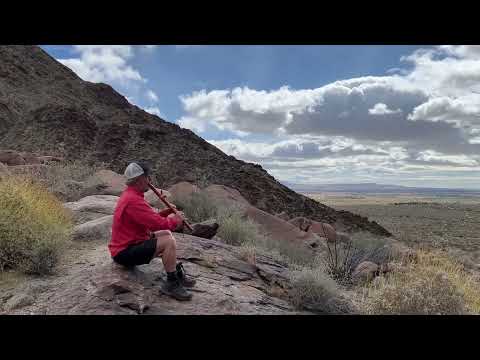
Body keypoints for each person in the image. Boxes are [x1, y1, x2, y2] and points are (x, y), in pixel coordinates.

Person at [109, 161, 196, 301]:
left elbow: (148, 220)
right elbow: (157, 224)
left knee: (166, 235)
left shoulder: (132, 195)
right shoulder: (133, 200)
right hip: (124, 252)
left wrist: (168, 212)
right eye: (148, 177)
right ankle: (171, 284)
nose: (150, 181)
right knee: (167, 241)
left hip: (132, 242)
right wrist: (175, 220)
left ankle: (175, 272)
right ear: (140, 179)